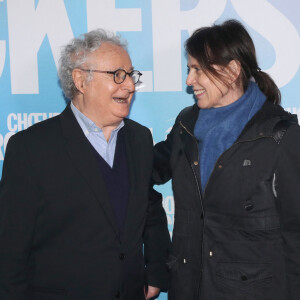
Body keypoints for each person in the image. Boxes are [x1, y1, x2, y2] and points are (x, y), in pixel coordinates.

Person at [0, 29, 170, 299]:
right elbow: (10, 249)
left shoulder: (139, 138)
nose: (129, 86)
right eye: (117, 75)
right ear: (80, 80)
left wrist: (157, 269)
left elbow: (149, 209)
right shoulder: (31, 148)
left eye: (131, 75)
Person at [153, 19, 300, 299]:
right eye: (189, 69)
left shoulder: (279, 137)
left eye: (197, 69)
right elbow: (146, 169)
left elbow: (296, 234)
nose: (189, 81)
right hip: (188, 287)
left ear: (232, 71)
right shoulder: (186, 124)